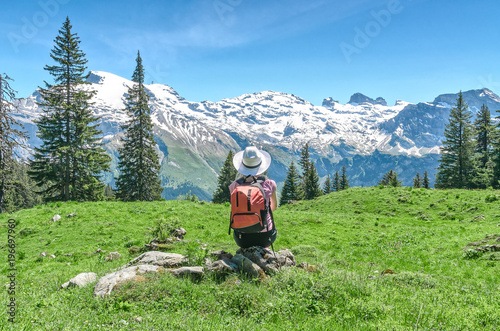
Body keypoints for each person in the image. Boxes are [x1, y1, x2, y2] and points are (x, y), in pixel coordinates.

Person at [229, 146, 278, 248]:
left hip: (241, 238)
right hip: (265, 237)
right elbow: (273, 207)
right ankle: (265, 251)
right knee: (270, 227)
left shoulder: (234, 186)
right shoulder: (270, 184)